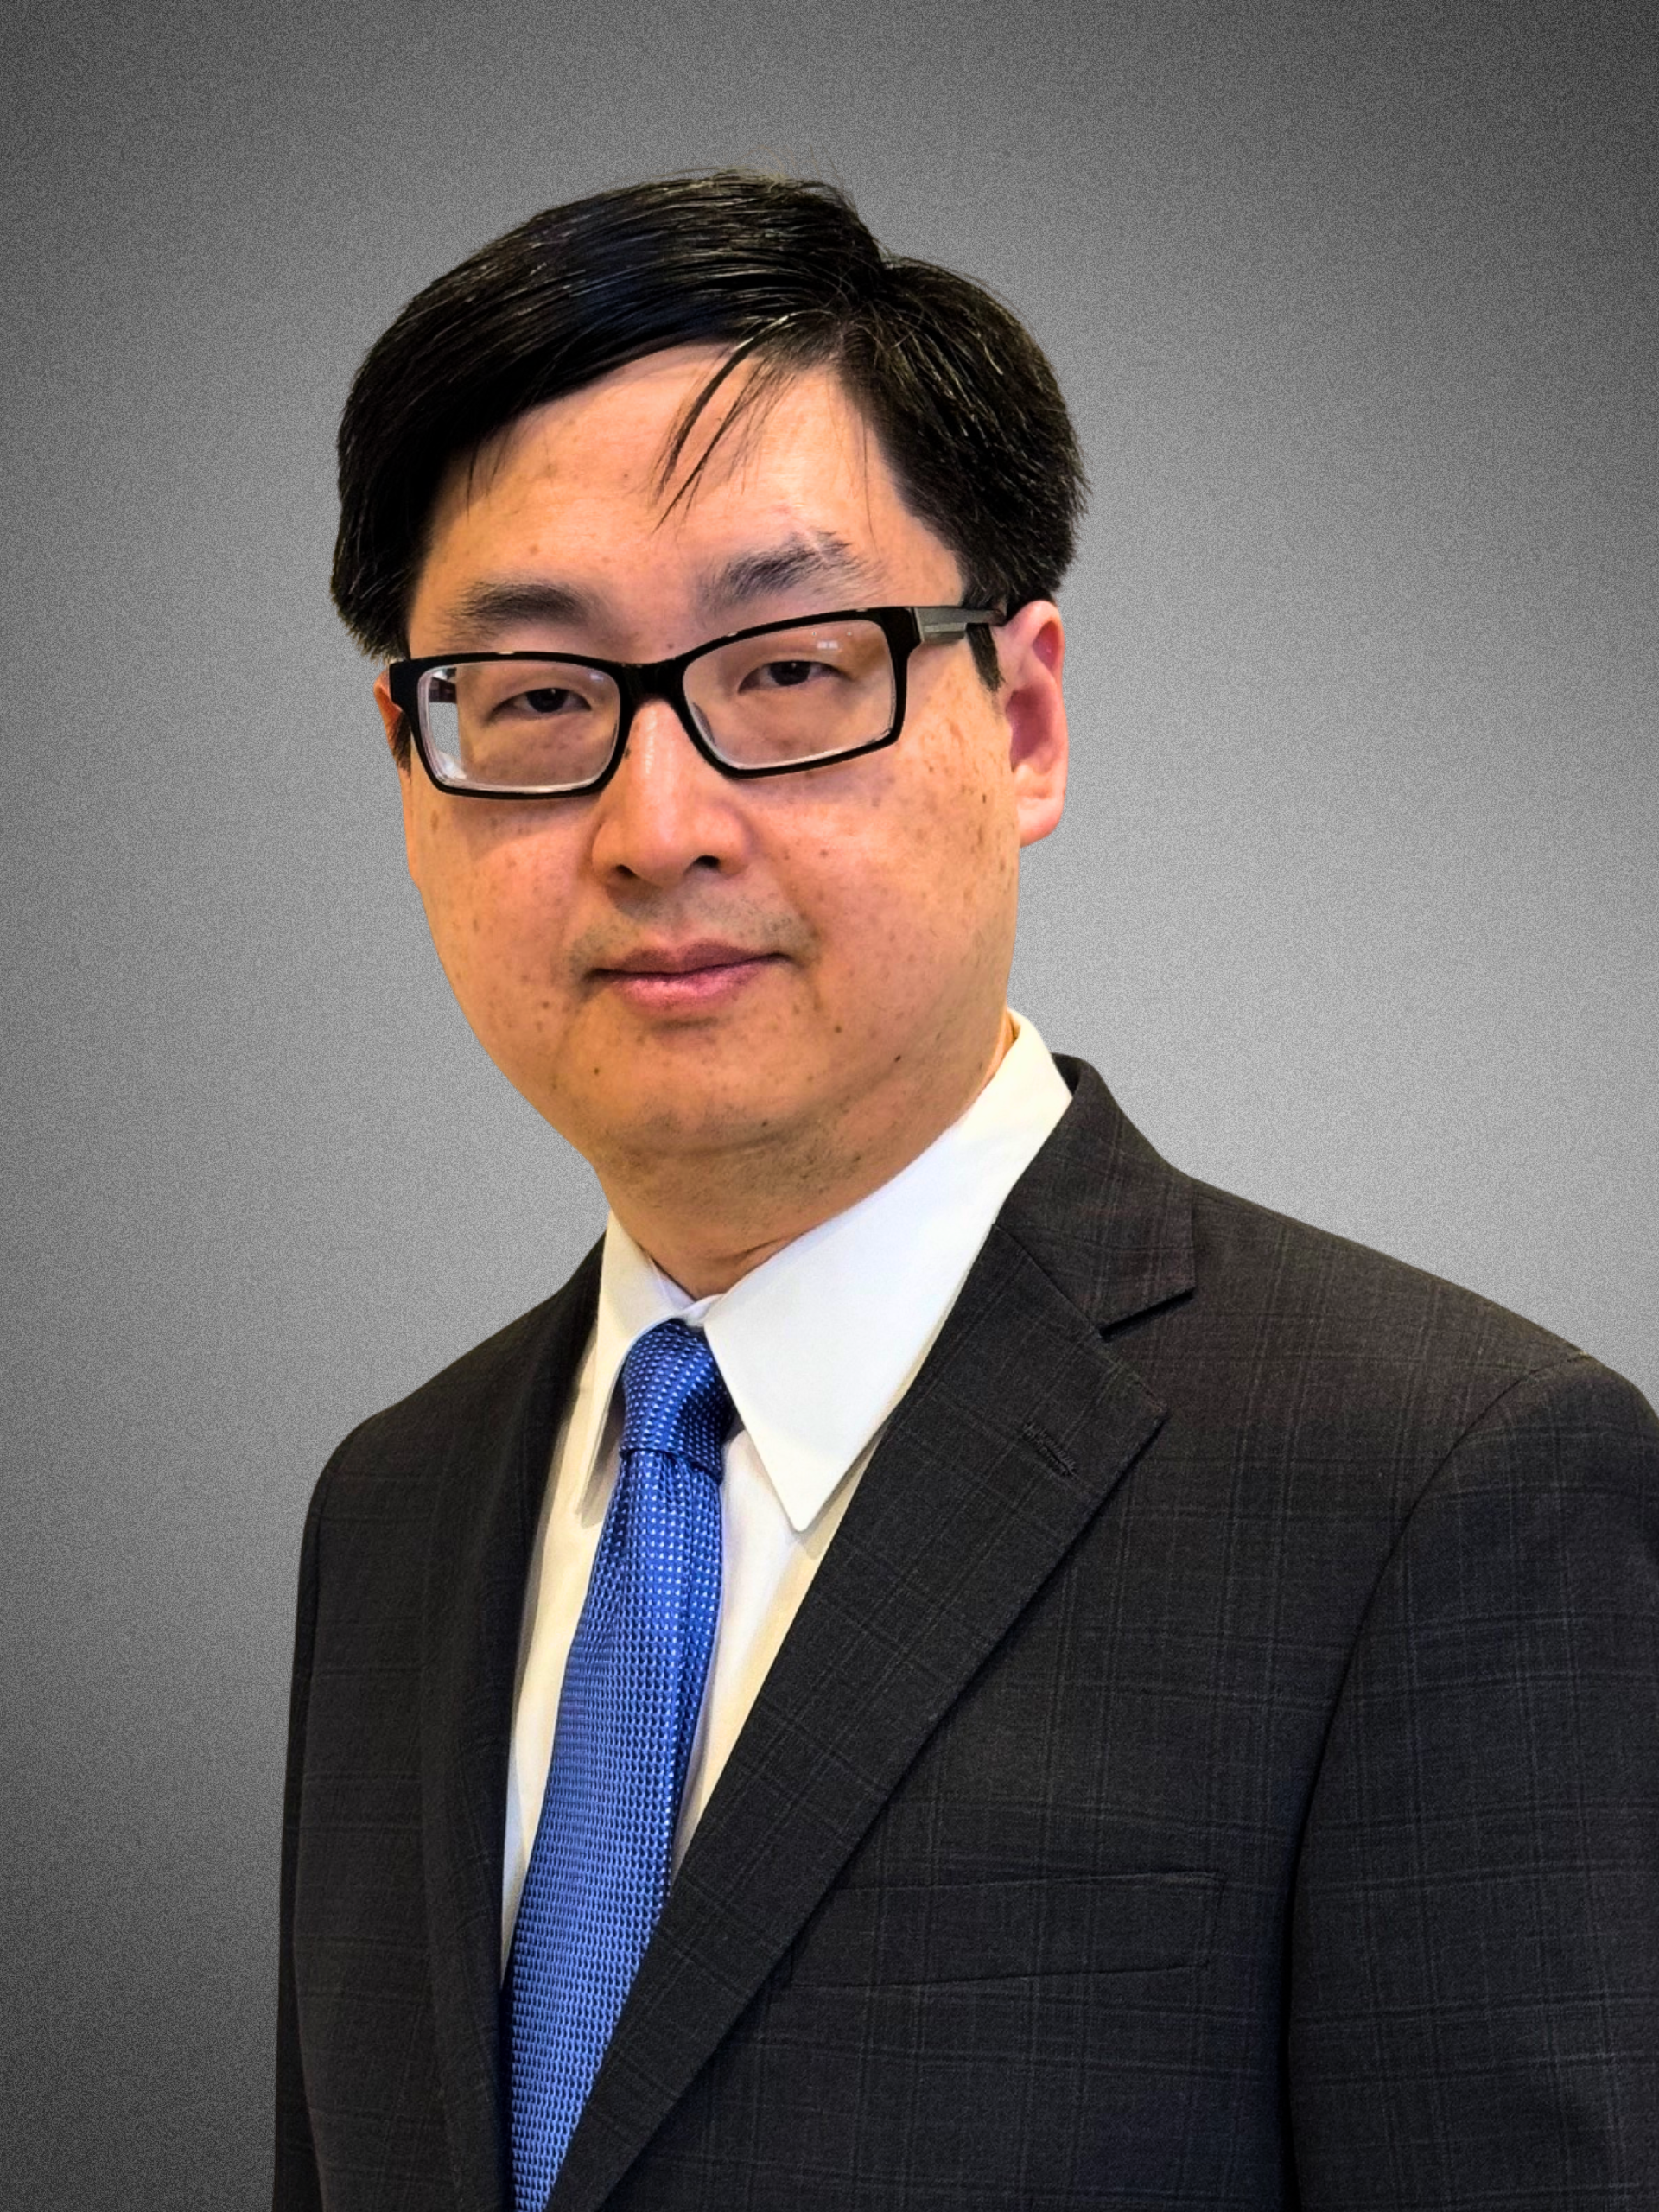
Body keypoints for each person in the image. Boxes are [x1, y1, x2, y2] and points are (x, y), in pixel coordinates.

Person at [276, 171, 1659, 2212]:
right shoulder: (387, 1509)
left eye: (791, 668)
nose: (659, 825)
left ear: (1020, 720)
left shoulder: (1452, 1493)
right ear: (413, 764)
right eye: (543, 699)